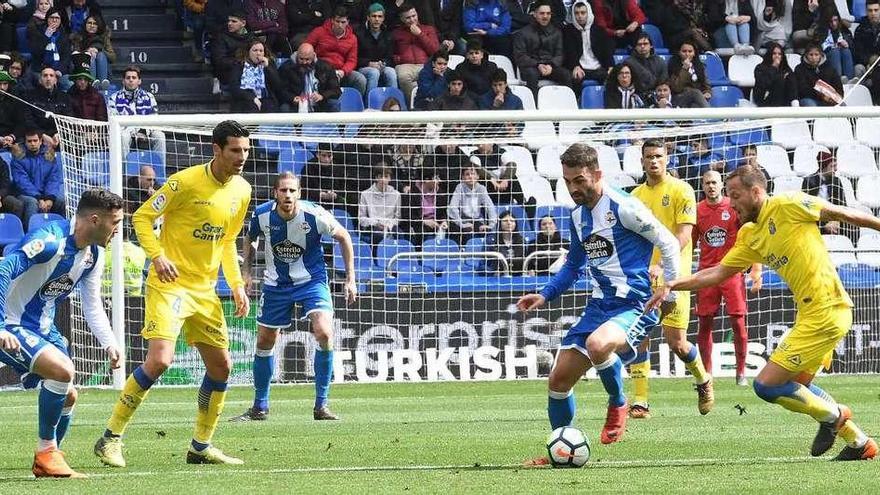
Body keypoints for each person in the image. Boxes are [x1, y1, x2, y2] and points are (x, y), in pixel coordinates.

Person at [646, 165, 880, 461]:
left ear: (756, 192)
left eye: (735, 195)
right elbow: (718, 273)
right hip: (810, 314)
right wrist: (674, 284)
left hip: (827, 311)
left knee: (766, 386)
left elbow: (843, 214)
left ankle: (834, 416)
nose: (731, 204)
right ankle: (859, 443)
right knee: (799, 387)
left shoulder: (789, 204)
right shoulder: (750, 234)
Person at [94, 121, 253, 468]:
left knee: (222, 366)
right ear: (217, 149)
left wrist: (237, 284)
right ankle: (110, 437)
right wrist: (158, 256)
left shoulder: (242, 190)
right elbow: (141, 217)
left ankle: (201, 446)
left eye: (245, 150)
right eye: (234, 150)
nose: (241, 157)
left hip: (206, 290)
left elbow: (227, 240)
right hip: (170, 284)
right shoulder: (185, 181)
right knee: (161, 360)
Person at [517, 143, 681, 465]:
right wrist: (546, 293)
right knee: (558, 380)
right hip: (598, 307)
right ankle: (560, 452)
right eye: (567, 181)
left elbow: (669, 242)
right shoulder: (577, 216)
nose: (573, 188)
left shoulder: (624, 207)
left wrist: (670, 294)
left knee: (598, 344)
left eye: (579, 180)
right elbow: (573, 265)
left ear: (597, 174)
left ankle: (619, 401)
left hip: (635, 304)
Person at [0, 189, 122, 478]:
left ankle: (50, 458)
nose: (118, 230)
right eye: (115, 223)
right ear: (95, 219)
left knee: (68, 396)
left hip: (41, 328)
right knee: (62, 370)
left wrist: (109, 342)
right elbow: (4, 269)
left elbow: (91, 304)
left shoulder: (93, 255)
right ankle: (46, 454)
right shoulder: (50, 240)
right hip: (11, 322)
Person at [230, 172, 357, 422]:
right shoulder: (262, 214)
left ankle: (321, 405)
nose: (288, 195)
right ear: (275, 193)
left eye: (292, 191)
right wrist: (246, 272)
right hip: (277, 284)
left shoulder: (314, 214)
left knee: (324, 333)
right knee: (265, 340)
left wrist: (350, 279)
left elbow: (344, 237)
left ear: (298, 193)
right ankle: (260, 407)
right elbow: (250, 238)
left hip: (312, 281)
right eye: (283, 190)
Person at [628, 138, 714, 419]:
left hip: (675, 277)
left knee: (677, 343)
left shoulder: (682, 190)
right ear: (642, 160)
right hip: (643, 276)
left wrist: (663, 266)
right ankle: (640, 401)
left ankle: (703, 379)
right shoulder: (635, 196)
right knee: (639, 336)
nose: (654, 161)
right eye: (649, 157)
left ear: (667, 159)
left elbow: (684, 235)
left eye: (659, 156)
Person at [693, 170, 762, 386]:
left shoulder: (733, 208)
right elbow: (690, 242)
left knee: (738, 322)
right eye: (707, 183)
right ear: (702, 186)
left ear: (721, 184)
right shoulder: (697, 211)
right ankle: (707, 374)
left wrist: (756, 269)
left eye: (714, 182)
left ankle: (741, 372)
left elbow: (752, 238)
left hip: (731, 272)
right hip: (706, 273)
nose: (711, 186)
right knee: (704, 323)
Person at [107, 66, 167, 160]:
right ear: (123, 81)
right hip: (125, 131)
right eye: (128, 78)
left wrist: (143, 131)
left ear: (139, 81)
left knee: (160, 136)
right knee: (124, 136)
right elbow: (114, 120)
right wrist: (135, 132)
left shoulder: (149, 96)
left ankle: (159, 171)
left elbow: (154, 118)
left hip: (145, 130)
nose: (131, 80)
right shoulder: (114, 98)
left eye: (134, 78)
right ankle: (124, 172)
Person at [513, 0, 570, 96]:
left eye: (548, 13)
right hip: (531, 67)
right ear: (534, 14)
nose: (545, 16)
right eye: (542, 13)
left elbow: (560, 54)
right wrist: (538, 64)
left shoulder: (557, 32)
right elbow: (520, 56)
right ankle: (533, 106)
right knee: (532, 75)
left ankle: (568, 104)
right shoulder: (523, 33)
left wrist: (551, 65)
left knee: (566, 74)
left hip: (550, 67)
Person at [305, 7, 367, 95]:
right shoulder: (319, 32)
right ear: (332, 20)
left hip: (340, 71)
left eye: (343, 22)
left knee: (360, 79)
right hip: (320, 69)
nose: (340, 25)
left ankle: (355, 105)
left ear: (348, 22)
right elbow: (306, 48)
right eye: (337, 21)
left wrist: (343, 71)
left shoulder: (352, 38)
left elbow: (352, 60)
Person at [12, 129, 66, 226]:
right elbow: (22, 182)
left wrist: (50, 198)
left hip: (45, 194)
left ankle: (62, 230)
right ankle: (29, 232)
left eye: (35, 140)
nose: (32, 144)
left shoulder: (49, 155)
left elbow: (53, 179)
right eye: (29, 141)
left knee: (61, 201)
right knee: (33, 203)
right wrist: (39, 198)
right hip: (25, 194)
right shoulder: (18, 157)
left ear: (40, 141)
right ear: (25, 142)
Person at [392, 4, 440, 103]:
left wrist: (420, 34)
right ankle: (415, 105)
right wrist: (398, 58)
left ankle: (427, 104)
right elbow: (390, 52)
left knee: (434, 76)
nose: (412, 20)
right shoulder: (396, 33)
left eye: (414, 16)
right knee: (403, 77)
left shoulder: (428, 29)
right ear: (401, 19)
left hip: (425, 64)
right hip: (405, 65)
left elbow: (436, 51)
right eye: (408, 18)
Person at [563, 0, 614, 88]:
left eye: (583, 13)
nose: (580, 16)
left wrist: (610, 66)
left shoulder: (599, 30)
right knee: (575, 77)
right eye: (577, 13)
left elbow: (606, 50)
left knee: (611, 77)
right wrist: (575, 66)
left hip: (598, 67)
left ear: (588, 13)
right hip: (580, 67)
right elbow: (569, 52)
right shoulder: (568, 31)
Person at [278, 43, 342, 112]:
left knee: (334, 104)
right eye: (301, 59)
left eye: (307, 59)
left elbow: (336, 90)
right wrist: (292, 98)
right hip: (296, 105)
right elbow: (280, 90)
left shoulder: (325, 67)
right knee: (284, 107)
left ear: (313, 56)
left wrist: (322, 96)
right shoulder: (286, 68)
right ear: (297, 56)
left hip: (320, 104)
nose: (304, 62)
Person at [227, 39, 284, 113]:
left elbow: (277, 86)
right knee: (251, 107)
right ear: (248, 52)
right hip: (245, 99)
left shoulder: (269, 65)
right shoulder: (239, 65)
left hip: (266, 99)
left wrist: (268, 68)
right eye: (255, 50)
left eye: (261, 51)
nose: (258, 53)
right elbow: (234, 87)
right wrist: (252, 97)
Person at [355, 3, 399, 97]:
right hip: (364, 67)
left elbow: (390, 57)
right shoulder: (359, 34)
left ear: (383, 18)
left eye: (380, 16)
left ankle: (394, 104)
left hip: (381, 66)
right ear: (368, 17)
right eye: (374, 16)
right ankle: (370, 106)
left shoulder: (388, 35)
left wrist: (383, 63)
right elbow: (355, 58)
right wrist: (369, 63)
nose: (377, 19)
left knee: (391, 72)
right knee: (373, 72)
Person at [23, 66, 71, 151]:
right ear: (40, 80)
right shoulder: (29, 96)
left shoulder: (65, 97)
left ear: (55, 80)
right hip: (37, 137)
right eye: (45, 76)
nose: (48, 78)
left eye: (51, 76)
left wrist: (59, 135)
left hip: (60, 138)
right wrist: (42, 135)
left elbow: (69, 119)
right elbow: (28, 120)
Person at [447, 165, 497, 244]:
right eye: (467, 174)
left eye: (473, 174)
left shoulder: (481, 188)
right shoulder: (459, 187)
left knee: (484, 230)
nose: (470, 176)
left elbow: (490, 207)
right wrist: (461, 224)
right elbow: (453, 208)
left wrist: (491, 225)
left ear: (477, 176)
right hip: (460, 220)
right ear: (462, 177)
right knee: (457, 230)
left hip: (476, 220)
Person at [358, 166, 403, 249]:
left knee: (400, 234)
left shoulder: (396, 195)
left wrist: (388, 225)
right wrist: (376, 223)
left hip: (390, 227)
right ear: (376, 178)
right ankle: (377, 260)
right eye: (380, 176)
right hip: (373, 227)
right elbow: (361, 219)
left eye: (386, 176)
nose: (383, 179)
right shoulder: (365, 194)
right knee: (378, 235)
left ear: (390, 178)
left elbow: (398, 218)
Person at [401, 168, 448, 245]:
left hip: (436, 223)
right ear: (426, 180)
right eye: (436, 178)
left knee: (450, 229)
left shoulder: (441, 193)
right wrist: (424, 222)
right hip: (418, 224)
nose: (439, 181)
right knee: (422, 231)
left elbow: (443, 213)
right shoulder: (412, 192)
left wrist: (443, 221)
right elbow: (407, 216)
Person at [210, 10, 254, 91]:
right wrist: (240, 62)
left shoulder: (251, 38)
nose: (229, 23)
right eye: (229, 21)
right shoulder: (221, 38)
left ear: (243, 23)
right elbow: (219, 60)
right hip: (229, 72)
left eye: (234, 21)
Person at [27, 8, 71, 87]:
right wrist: (46, 36)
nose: (54, 20)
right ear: (47, 19)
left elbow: (66, 57)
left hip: (58, 70)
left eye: (57, 18)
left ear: (60, 20)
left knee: (68, 84)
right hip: (40, 69)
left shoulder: (64, 36)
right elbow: (35, 52)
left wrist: (60, 70)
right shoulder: (38, 32)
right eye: (51, 17)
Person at [69, 14, 114, 89]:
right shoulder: (78, 37)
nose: (92, 25)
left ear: (98, 26)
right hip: (82, 68)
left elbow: (113, 58)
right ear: (85, 25)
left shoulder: (104, 38)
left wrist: (99, 50)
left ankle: (103, 83)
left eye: (95, 24)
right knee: (90, 57)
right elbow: (74, 55)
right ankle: (91, 82)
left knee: (101, 55)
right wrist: (87, 51)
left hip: (102, 66)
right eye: (89, 23)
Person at [667, 39, 712, 108]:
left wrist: (707, 92)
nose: (687, 54)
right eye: (684, 51)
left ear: (694, 53)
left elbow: (706, 84)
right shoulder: (673, 65)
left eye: (690, 51)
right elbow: (676, 87)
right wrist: (684, 69)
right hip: (678, 98)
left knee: (695, 105)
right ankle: (712, 115)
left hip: (696, 98)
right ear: (679, 52)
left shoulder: (699, 66)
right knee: (695, 92)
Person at [753, 41, 797, 107]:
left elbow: (792, 85)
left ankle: (795, 105)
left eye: (779, 54)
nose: (777, 56)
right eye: (774, 53)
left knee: (789, 79)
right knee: (780, 80)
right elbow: (763, 84)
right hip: (764, 98)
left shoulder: (786, 68)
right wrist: (773, 67)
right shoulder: (760, 67)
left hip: (783, 100)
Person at [815, 12, 855, 81]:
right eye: (831, 21)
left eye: (835, 20)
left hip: (842, 56)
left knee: (846, 51)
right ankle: (838, 80)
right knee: (835, 52)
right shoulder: (821, 31)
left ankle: (850, 80)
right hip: (825, 58)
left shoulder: (844, 30)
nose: (834, 24)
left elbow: (853, 48)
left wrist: (847, 44)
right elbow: (818, 48)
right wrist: (832, 46)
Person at [68, 52, 108, 121]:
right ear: (75, 80)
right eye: (80, 79)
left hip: (94, 131)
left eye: (86, 79)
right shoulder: (68, 97)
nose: (83, 82)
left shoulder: (98, 97)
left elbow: (102, 120)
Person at [853, 0, 880, 76]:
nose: (873, 13)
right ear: (866, 11)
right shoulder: (860, 29)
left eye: (876, 10)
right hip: (866, 65)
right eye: (870, 10)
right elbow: (858, 52)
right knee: (858, 68)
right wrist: (868, 61)